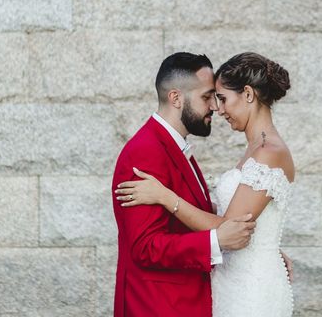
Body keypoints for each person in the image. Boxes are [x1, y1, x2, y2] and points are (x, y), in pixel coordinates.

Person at [116, 52, 295, 317]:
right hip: (161, 304)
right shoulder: (146, 151)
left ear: (248, 95)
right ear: (176, 98)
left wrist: (167, 197)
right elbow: (144, 247)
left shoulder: (266, 149)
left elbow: (231, 225)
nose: (216, 107)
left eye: (220, 98)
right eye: (208, 97)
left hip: (246, 291)